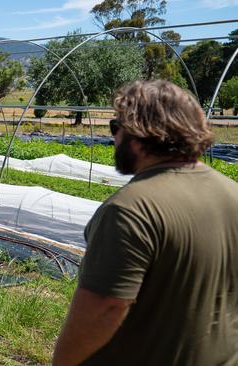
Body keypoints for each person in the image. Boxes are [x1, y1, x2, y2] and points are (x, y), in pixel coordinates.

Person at [52, 80, 238, 365]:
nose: (113, 138)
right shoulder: (232, 193)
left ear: (139, 135)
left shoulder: (130, 210)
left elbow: (105, 309)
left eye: (116, 128)